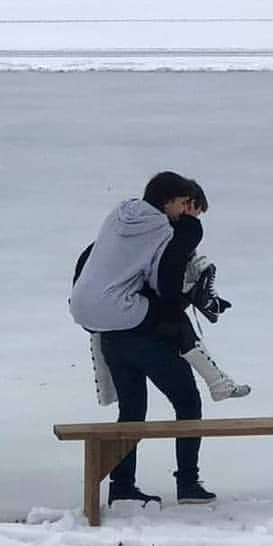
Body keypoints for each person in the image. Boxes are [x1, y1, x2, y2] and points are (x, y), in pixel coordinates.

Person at [69, 171, 248, 509]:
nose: (187, 212)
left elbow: (87, 256)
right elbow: (165, 287)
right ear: (168, 200)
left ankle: (122, 487)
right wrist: (190, 235)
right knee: (187, 400)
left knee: (133, 410)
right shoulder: (165, 229)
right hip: (128, 323)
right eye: (184, 204)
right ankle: (189, 483)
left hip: (100, 325)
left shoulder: (120, 214)